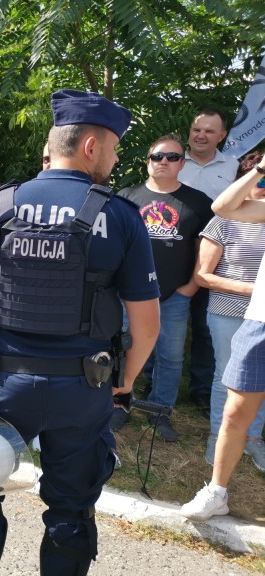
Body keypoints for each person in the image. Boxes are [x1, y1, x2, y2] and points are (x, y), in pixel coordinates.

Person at [0, 89, 160, 575]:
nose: (115, 157)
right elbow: (146, 325)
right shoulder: (122, 216)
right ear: (90, 146)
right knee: (71, 510)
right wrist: (123, 382)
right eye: (113, 146)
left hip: (4, 384)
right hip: (82, 390)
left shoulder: (0, 202)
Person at [180, 153, 265, 521]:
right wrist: (260, 170)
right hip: (259, 319)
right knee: (234, 411)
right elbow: (223, 207)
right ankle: (217, 492)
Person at [116, 134, 213, 441]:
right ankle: (119, 403)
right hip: (128, 295)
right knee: (123, 348)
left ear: (182, 163)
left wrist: (190, 287)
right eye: (158, 157)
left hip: (174, 296)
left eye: (172, 157)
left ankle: (159, 412)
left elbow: (207, 249)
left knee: (170, 357)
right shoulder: (127, 197)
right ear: (148, 162)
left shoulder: (198, 203)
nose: (164, 162)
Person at [178, 110, 240, 416]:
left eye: (208, 131)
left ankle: (201, 389)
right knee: (160, 321)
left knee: (204, 328)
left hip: (214, 259)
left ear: (222, 136)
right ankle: (151, 384)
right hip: (172, 254)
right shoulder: (173, 160)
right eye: (196, 128)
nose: (200, 135)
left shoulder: (233, 168)